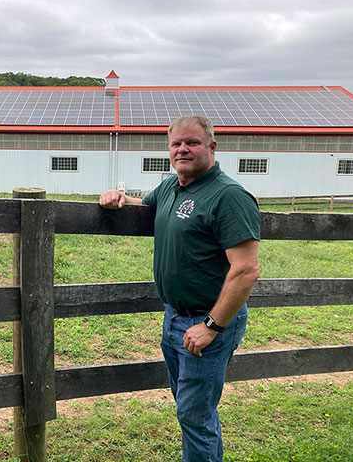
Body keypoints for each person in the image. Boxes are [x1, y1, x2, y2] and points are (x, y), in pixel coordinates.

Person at [99, 115, 260, 461]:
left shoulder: (228, 195)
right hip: (174, 319)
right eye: (176, 144)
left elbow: (246, 269)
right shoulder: (171, 187)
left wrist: (212, 326)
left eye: (192, 143)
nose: (182, 149)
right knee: (193, 413)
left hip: (208, 323)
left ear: (212, 147)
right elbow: (143, 207)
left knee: (194, 415)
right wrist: (117, 198)